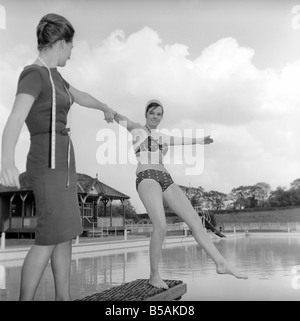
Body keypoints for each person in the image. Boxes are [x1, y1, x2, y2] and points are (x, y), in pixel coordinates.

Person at [0, 13, 114, 301]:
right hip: (46, 163)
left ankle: (64, 298)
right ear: (62, 43)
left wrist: (104, 107)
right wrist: (6, 160)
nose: (72, 52)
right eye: (72, 46)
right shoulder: (34, 74)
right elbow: (14, 119)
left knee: (65, 233)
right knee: (49, 236)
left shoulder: (57, 77)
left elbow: (81, 95)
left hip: (64, 165)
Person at [113, 99, 248, 289]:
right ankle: (154, 275)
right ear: (146, 114)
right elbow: (120, 117)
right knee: (161, 225)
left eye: (159, 114)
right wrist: (107, 111)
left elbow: (183, 141)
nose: (155, 117)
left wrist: (201, 141)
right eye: (152, 113)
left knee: (195, 221)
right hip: (147, 177)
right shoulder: (137, 129)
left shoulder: (162, 137)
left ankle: (221, 263)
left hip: (166, 178)